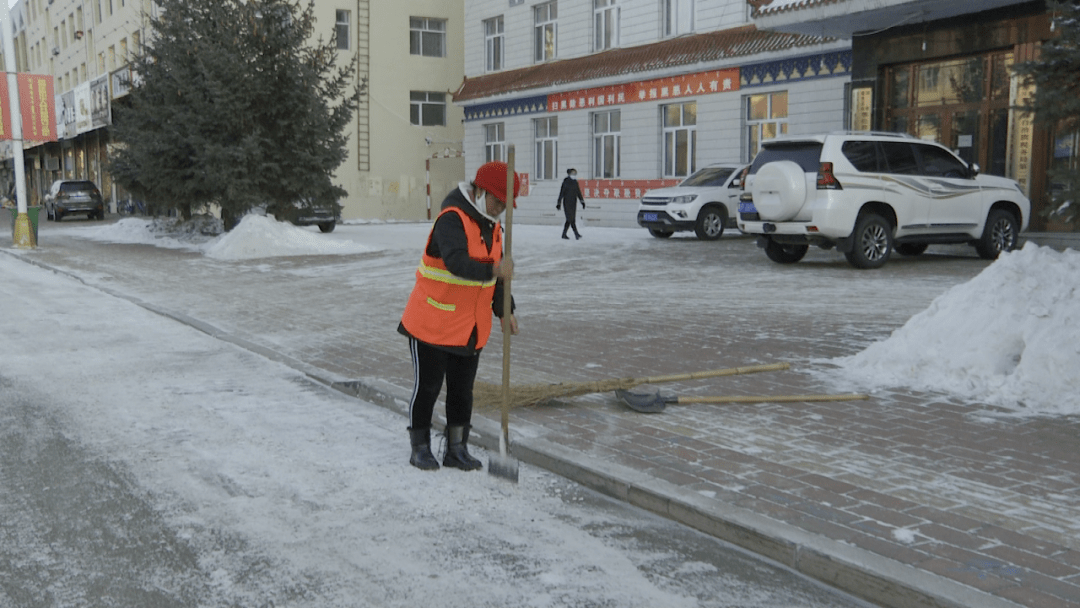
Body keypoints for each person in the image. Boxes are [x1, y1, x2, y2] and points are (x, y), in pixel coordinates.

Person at [398, 161, 520, 471]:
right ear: (480, 192)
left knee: (462, 392)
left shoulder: (494, 229)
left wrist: (506, 309)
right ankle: (420, 446)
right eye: (497, 201)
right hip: (432, 324)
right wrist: (495, 269)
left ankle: (456, 448)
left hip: (470, 328)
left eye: (506, 205)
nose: (501, 209)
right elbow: (457, 263)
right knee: (427, 389)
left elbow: (497, 279)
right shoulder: (451, 219)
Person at [556, 168, 586, 239]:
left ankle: (564, 234)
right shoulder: (566, 182)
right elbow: (561, 193)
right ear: (569, 174)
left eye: (575, 173)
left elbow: (578, 192)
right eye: (572, 173)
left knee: (570, 219)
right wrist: (559, 203)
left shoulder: (575, 182)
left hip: (573, 203)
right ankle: (576, 234)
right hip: (567, 203)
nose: (574, 175)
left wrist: (582, 201)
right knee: (570, 219)